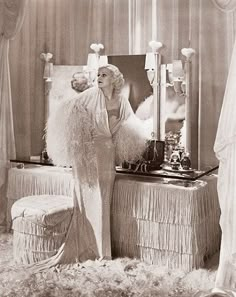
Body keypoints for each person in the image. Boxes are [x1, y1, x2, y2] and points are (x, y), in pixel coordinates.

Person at [39, 64, 148, 269]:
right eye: (98, 74)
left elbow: (131, 123)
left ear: (114, 79)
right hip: (87, 155)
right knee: (87, 200)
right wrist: (80, 137)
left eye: (104, 75)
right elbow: (68, 112)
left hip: (107, 154)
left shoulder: (122, 100)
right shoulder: (89, 95)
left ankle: (102, 251)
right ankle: (88, 249)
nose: (99, 77)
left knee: (103, 200)